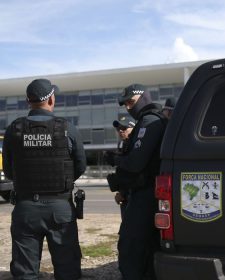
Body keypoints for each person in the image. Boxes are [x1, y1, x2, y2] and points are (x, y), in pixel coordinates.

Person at [2, 78, 87, 280]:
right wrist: (63, 181)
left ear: (27, 100)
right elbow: (80, 165)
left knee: (25, 272)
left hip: (26, 207)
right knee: (68, 270)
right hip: (60, 208)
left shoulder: (14, 129)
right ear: (51, 99)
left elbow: (9, 171)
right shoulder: (68, 128)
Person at [107, 84, 167, 279]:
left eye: (131, 102)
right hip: (144, 192)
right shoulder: (146, 121)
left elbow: (135, 163)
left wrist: (115, 159)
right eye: (125, 104)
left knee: (131, 245)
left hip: (146, 194)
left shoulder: (150, 121)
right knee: (145, 246)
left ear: (144, 98)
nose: (128, 108)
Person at [111, 116, 135, 218]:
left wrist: (123, 193)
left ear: (133, 128)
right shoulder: (123, 144)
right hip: (125, 197)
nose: (120, 131)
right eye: (118, 128)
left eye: (124, 128)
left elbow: (133, 173)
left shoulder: (137, 145)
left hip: (133, 197)